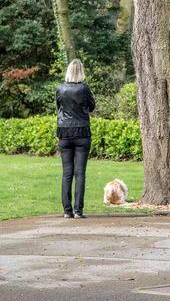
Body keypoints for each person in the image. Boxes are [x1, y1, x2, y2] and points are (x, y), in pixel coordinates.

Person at [56, 58, 95, 219]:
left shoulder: (60, 89)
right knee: (80, 173)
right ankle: (78, 211)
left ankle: (67, 211)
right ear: (81, 72)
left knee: (67, 173)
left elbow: (59, 107)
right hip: (81, 132)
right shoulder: (84, 89)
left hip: (64, 132)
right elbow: (91, 106)